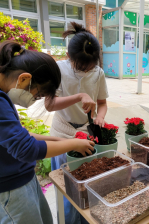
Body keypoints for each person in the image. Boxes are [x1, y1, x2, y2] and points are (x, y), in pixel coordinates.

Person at [0, 41, 95, 224]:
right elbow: (25, 149)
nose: (35, 100)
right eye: (37, 95)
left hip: (21, 179)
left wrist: (59, 139)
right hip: (5, 189)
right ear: (23, 79)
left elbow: (21, 135)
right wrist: (75, 143)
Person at [45, 22, 109, 224]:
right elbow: (49, 104)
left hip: (85, 133)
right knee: (66, 188)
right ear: (68, 56)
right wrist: (80, 95)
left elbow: (102, 103)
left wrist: (101, 117)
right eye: (80, 66)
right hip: (61, 133)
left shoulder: (98, 73)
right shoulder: (57, 69)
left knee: (85, 185)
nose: (85, 70)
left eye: (89, 66)